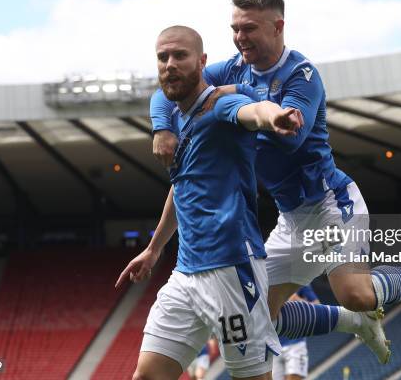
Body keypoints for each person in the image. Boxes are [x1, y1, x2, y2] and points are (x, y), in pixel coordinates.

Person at [150, 0, 401, 363]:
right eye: (235, 28)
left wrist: (242, 99)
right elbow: (173, 86)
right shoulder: (234, 66)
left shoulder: (301, 74)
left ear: (278, 26)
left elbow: (291, 138)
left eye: (249, 28)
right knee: (260, 314)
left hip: (330, 204)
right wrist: (163, 127)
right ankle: (354, 323)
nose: (240, 38)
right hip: (292, 218)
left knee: (355, 292)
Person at [116, 25, 303, 380]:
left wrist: (273, 116)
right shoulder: (178, 120)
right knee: (147, 376)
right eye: (163, 57)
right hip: (185, 274)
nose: (170, 64)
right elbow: (181, 186)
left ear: (202, 61)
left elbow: (252, 111)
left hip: (232, 271)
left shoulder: (220, 105)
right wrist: (154, 249)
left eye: (180, 56)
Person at [272, 286, 318, 380]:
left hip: (295, 343)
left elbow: (317, 306)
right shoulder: (267, 280)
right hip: (274, 347)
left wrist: (298, 301)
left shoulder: (301, 281)